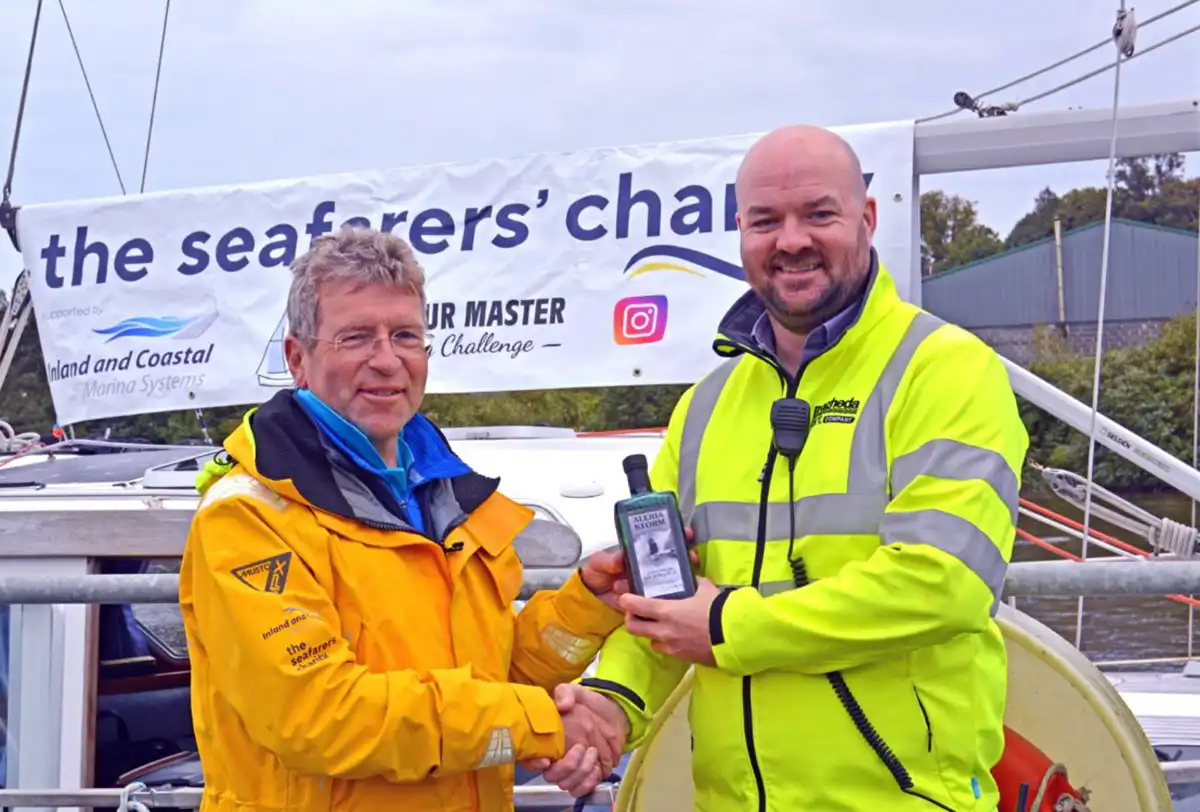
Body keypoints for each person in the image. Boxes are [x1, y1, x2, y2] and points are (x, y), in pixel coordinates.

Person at [555, 125, 1030, 811]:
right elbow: (663, 603)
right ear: (741, 233)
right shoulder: (704, 408)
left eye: (819, 214)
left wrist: (728, 628)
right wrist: (612, 705)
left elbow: (944, 582)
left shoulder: (947, 370)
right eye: (765, 221)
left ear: (866, 219)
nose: (791, 240)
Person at [179, 226, 632, 812]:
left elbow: (491, 680)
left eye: (405, 335)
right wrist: (540, 724)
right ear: (298, 359)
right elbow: (319, 716)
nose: (387, 360)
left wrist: (588, 605)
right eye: (356, 337)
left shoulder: (448, 498)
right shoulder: (247, 519)